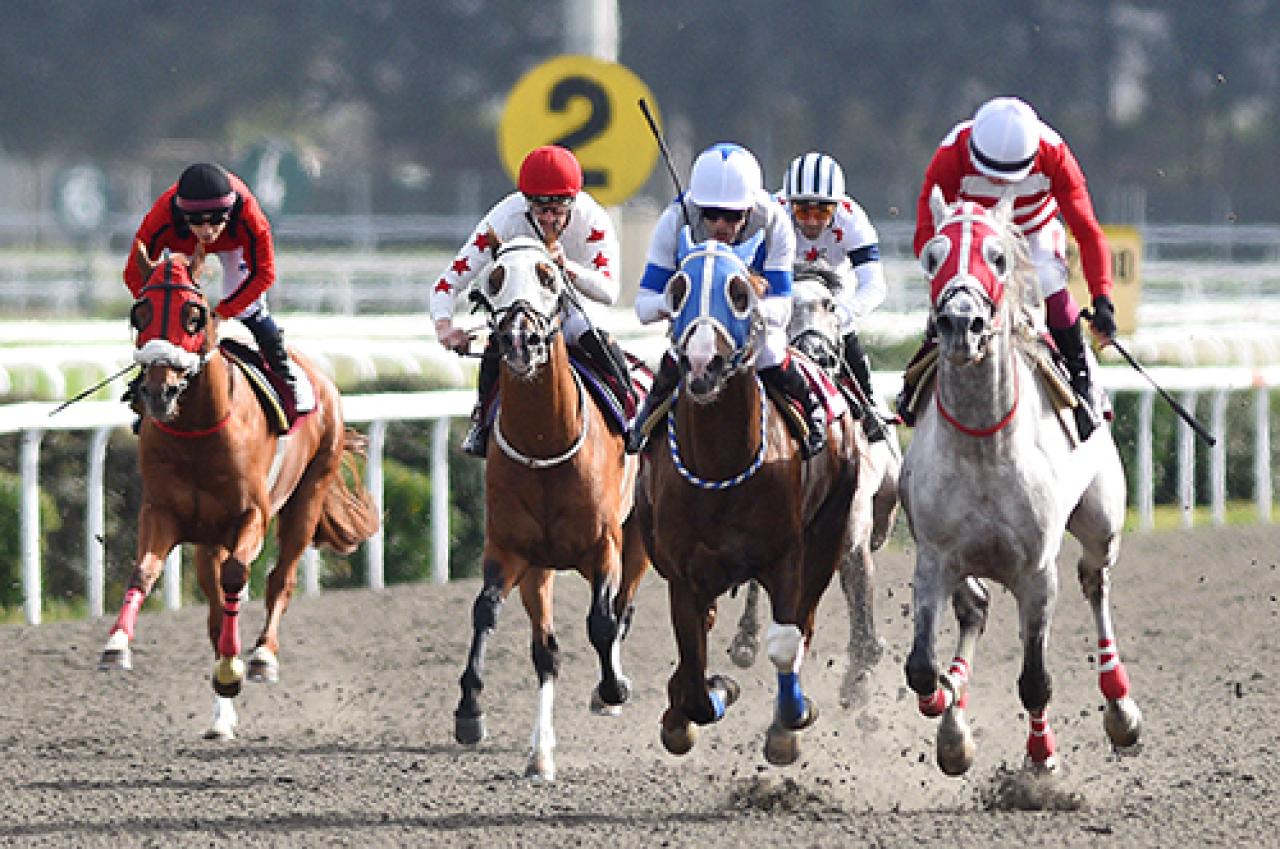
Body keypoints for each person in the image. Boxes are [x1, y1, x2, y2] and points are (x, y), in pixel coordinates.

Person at [906, 96, 1117, 438]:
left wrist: (1103, 298)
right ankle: (918, 376)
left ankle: (1081, 378)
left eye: (1009, 177)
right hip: (973, 236)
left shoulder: (1055, 154)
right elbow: (927, 229)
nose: (1001, 185)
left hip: (1032, 232)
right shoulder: (951, 153)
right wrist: (940, 276)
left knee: (1048, 279)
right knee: (958, 291)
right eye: (992, 176)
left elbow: (1088, 231)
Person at [630, 142, 826, 459]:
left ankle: (811, 412)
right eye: (711, 215)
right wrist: (683, 303)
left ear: (749, 210)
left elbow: (782, 308)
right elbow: (644, 306)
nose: (721, 226)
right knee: (678, 356)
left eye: (732, 216)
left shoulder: (775, 222)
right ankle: (643, 423)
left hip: (753, 331)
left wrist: (744, 303)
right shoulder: (674, 220)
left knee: (772, 353)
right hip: (695, 329)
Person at [431, 144, 626, 458]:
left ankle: (629, 416)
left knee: (598, 341)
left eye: (557, 210)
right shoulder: (503, 219)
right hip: (522, 310)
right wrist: (444, 326)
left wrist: (567, 268)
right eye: (539, 208)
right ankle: (482, 423)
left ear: (573, 202)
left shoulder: (593, 221)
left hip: (576, 305)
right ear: (526, 202)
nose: (548, 218)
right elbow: (446, 283)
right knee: (498, 346)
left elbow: (609, 291)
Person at [123, 162, 314, 416]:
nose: (207, 231)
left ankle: (283, 375)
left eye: (216, 221)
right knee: (166, 314)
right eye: (197, 222)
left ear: (230, 211)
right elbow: (133, 273)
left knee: (250, 309)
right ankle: (146, 387)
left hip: (235, 246)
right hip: (182, 247)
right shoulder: (163, 215)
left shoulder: (249, 213)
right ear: (182, 214)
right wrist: (163, 311)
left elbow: (264, 274)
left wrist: (221, 313)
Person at [778, 151, 890, 442]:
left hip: (833, 297)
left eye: (822, 213)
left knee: (848, 344)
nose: (812, 222)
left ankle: (870, 410)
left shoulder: (853, 220)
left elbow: (874, 285)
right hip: (784, 296)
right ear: (789, 205)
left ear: (837, 208)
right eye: (803, 212)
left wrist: (840, 316)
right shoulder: (772, 213)